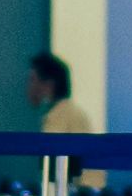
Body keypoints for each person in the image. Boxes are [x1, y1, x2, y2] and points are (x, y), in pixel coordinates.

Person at [26, 51, 105, 187]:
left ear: (48, 85)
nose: (29, 86)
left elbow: (55, 164)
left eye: (33, 80)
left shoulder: (62, 117)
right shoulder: (67, 113)